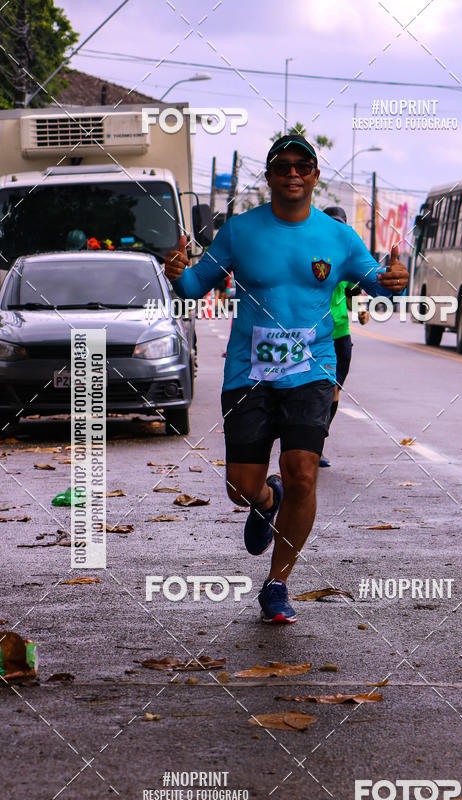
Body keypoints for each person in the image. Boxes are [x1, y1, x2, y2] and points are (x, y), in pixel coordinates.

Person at [164, 134, 409, 625]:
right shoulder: (239, 231)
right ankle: (264, 498)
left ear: (315, 175)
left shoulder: (338, 237)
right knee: (239, 488)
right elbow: (193, 286)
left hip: (312, 369)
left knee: (304, 473)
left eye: (303, 165)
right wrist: (176, 271)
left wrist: (394, 280)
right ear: (271, 175)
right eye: (283, 166)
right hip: (247, 372)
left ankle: (277, 585)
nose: (293, 173)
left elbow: (378, 286)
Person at [319, 206, 370, 468]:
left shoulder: (348, 258)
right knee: (323, 390)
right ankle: (311, 445)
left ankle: (317, 443)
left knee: (335, 390)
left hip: (341, 335)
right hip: (315, 336)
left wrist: (362, 311)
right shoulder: (312, 255)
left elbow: (354, 291)